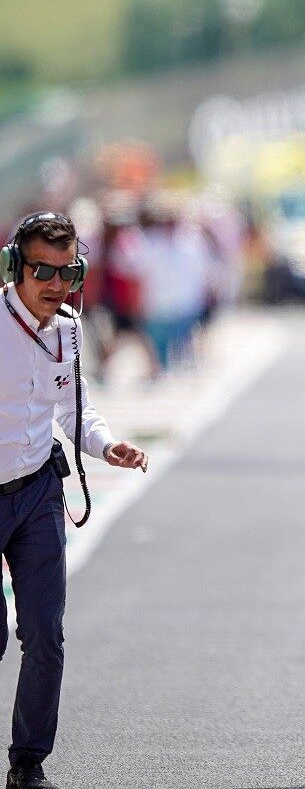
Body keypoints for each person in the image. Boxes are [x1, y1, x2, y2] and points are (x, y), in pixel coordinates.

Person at [0, 212, 148, 789]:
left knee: (45, 633)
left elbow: (72, 409)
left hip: (38, 491)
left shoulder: (67, 328)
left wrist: (107, 444)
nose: (58, 285)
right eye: (43, 271)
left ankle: (27, 764)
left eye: (69, 272)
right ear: (16, 268)